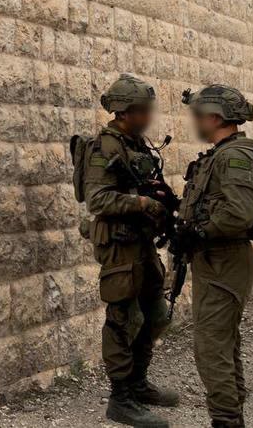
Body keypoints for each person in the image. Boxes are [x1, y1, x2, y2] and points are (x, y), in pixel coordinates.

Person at [83, 75, 181, 428]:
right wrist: (139, 202)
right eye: (143, 110)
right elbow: (97, 200)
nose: (149, 115)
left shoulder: (137, 144)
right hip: (119, 246)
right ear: (125, 112)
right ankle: (120, 399)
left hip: (141, 243)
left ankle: (138, 384)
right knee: (123, 320)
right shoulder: (104, 149)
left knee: (155, 313)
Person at [178, 85, 253, 428]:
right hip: (216, 261)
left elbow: (239, 215)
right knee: (222, 343)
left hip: (225, 261)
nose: (196, 122)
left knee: (212, 348)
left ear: (215, 117)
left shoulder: (233, 158)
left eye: (199, 116)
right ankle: (233, 416)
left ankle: (227, 420)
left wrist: (198, 232)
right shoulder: (222, 154)